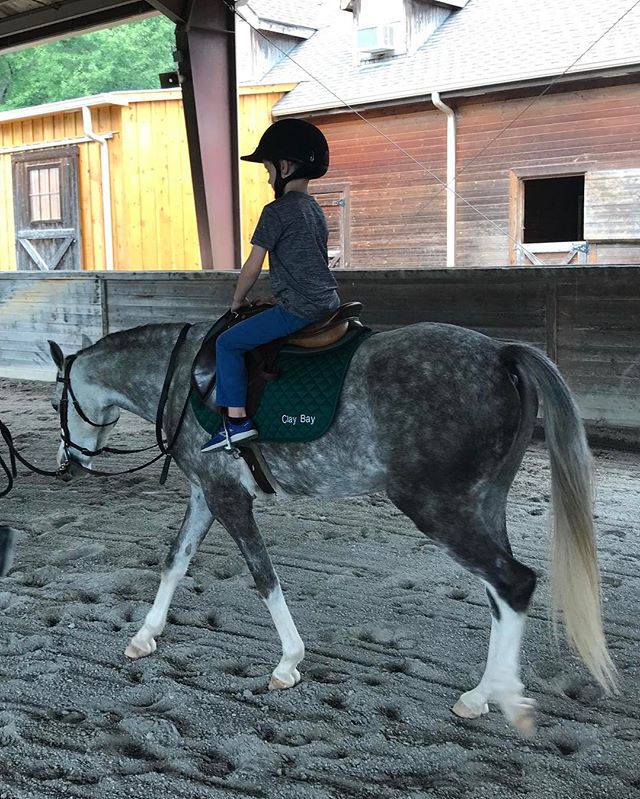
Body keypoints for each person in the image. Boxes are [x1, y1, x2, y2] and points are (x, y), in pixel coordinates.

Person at [201, 118, 340, 453]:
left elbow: (253, 265)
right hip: (329, 301)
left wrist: (238, 299)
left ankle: (236, 423)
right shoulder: (314, 209)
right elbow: (307, 263)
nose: (266, 177)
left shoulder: (275, 211)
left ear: (285, 166)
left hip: (301, 308)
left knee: (228, 343)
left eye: (267, 169)